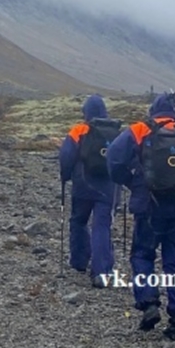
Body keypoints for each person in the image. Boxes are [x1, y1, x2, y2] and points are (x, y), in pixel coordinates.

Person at [108, 91, 175, 343]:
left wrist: (131, 181)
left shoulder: (139, 130)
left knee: (142, 254)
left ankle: (148, 304)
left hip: (148, 205)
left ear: (153, 109)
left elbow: (113, 158)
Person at [58, 95, 123, 287]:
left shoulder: (79, 130)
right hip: (109, 189)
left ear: (85, 111)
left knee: (78, 221)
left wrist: (65, 176)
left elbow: (66, 156)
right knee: (101, 226)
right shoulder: (116, 132)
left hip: (83, 185)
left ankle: (79, 261)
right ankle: (101, 272)